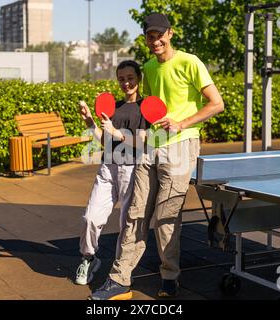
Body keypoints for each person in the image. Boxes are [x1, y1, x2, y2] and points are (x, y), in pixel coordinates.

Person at [90, 13, 224, 300]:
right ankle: (119, 278)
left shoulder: (190, 62)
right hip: (152, 145)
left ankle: (170, 277)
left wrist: (182, 123)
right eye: (150, 36)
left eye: (160, 35)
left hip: (181, 145)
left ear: (170, 33)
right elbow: (148, 112)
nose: (156, 40)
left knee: (166, 218)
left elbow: (216, 104)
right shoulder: (148, 68)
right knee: (135, 214)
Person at [74, 60, 149, 286]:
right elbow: (104, 140)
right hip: (108, 167)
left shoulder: (146, 108)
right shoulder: (113, 108)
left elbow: (145, 143)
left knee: (128, 224)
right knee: (90, 217)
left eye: (130, 78)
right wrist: (90, 121)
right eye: (121, 79)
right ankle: (89, 258)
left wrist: (116, 133)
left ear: (139, 79)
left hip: (132, 169)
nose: (126, 83)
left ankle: (120, 270)